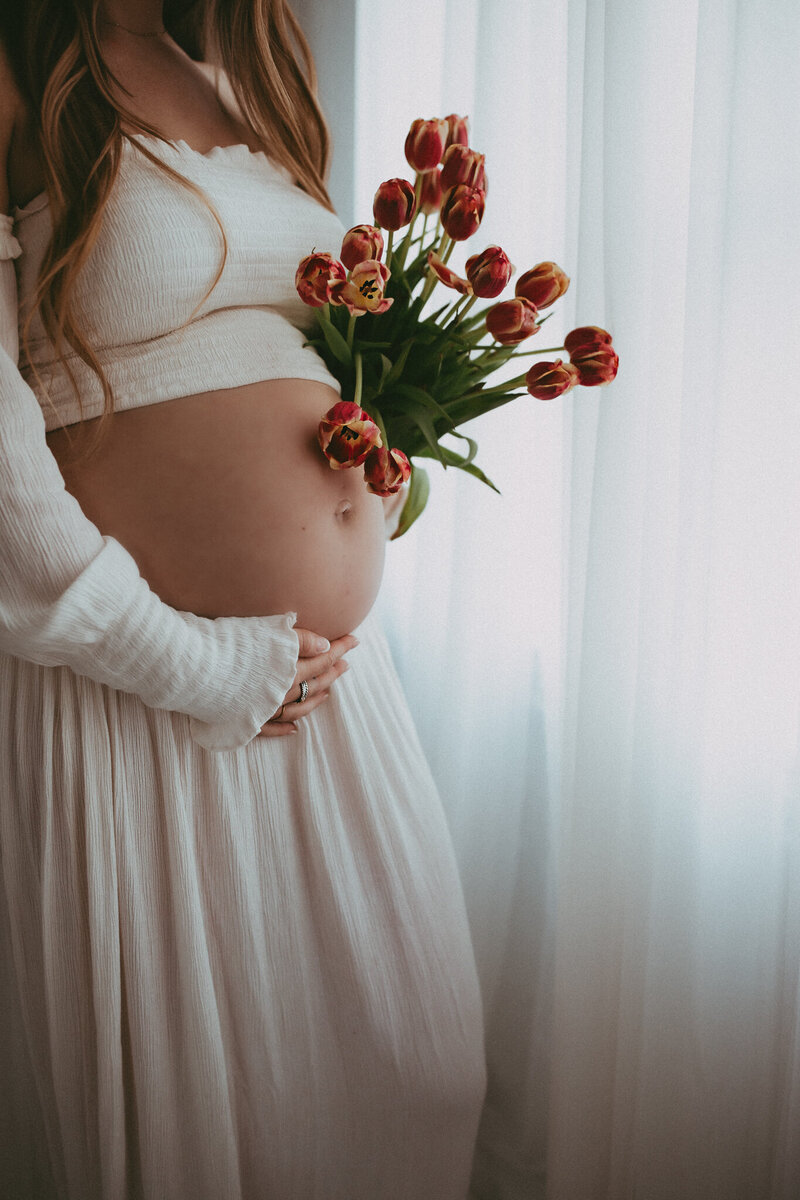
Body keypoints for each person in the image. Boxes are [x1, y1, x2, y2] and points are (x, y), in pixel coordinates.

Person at [0, 2, 487, 1197]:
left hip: (323, 697)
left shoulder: (237, 73)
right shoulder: (15, 77)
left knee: (425, 1077)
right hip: (138, 700)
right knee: (202, 1147)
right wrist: (187, 662)